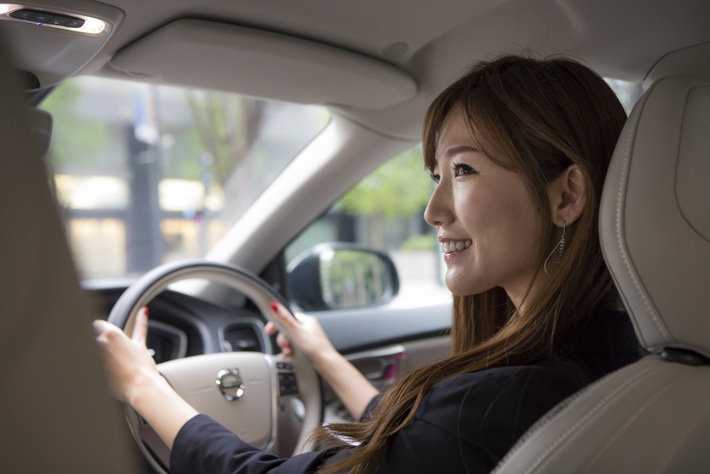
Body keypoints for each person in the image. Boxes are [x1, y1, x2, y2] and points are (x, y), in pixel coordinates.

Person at [93, 54, 639, 473]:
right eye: (436, 177)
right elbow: (416, 444)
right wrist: (324, 357)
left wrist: (144, 386)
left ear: (567, 196)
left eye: (465, 170)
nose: (433, 211)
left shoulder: (509, 399)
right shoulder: (618, 353)